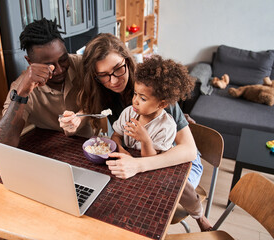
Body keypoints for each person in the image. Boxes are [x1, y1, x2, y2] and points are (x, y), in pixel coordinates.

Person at [65, 33, 212, 231]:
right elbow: (101, 122)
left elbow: (188, 151)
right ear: (96, 76)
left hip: (178, 161)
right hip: (138, 156)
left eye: (118, 69)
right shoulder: (107, 93)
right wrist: (73, 122)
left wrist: (139, 165)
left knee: (157, 195)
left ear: (127, 59)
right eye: (104, 75)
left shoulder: (156, 89)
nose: (114, 80)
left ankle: (199, 217)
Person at [0, 18, 92, 146]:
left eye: (63, 59)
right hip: (49, 146)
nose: (60, 70)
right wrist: (22, 93)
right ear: (30, 62)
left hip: (88, 143)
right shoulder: (22, 86)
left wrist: (81, 116)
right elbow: (2, 144)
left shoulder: (82, 65)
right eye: (49, 65)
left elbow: (102, 97)